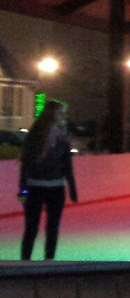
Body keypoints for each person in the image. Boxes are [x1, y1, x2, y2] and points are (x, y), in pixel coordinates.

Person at [18, 100, 78, 260]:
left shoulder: (63, 136)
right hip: (35, 188)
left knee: (53, 228)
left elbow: (67, 164)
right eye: (61, 113)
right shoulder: (35, 136)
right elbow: (26, 165)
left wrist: (72, 187)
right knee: (31, 228)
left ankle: (49, 262)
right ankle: (25, 262)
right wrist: (23, 190)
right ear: (52, 114)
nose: (64, 116)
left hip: (56, 188)